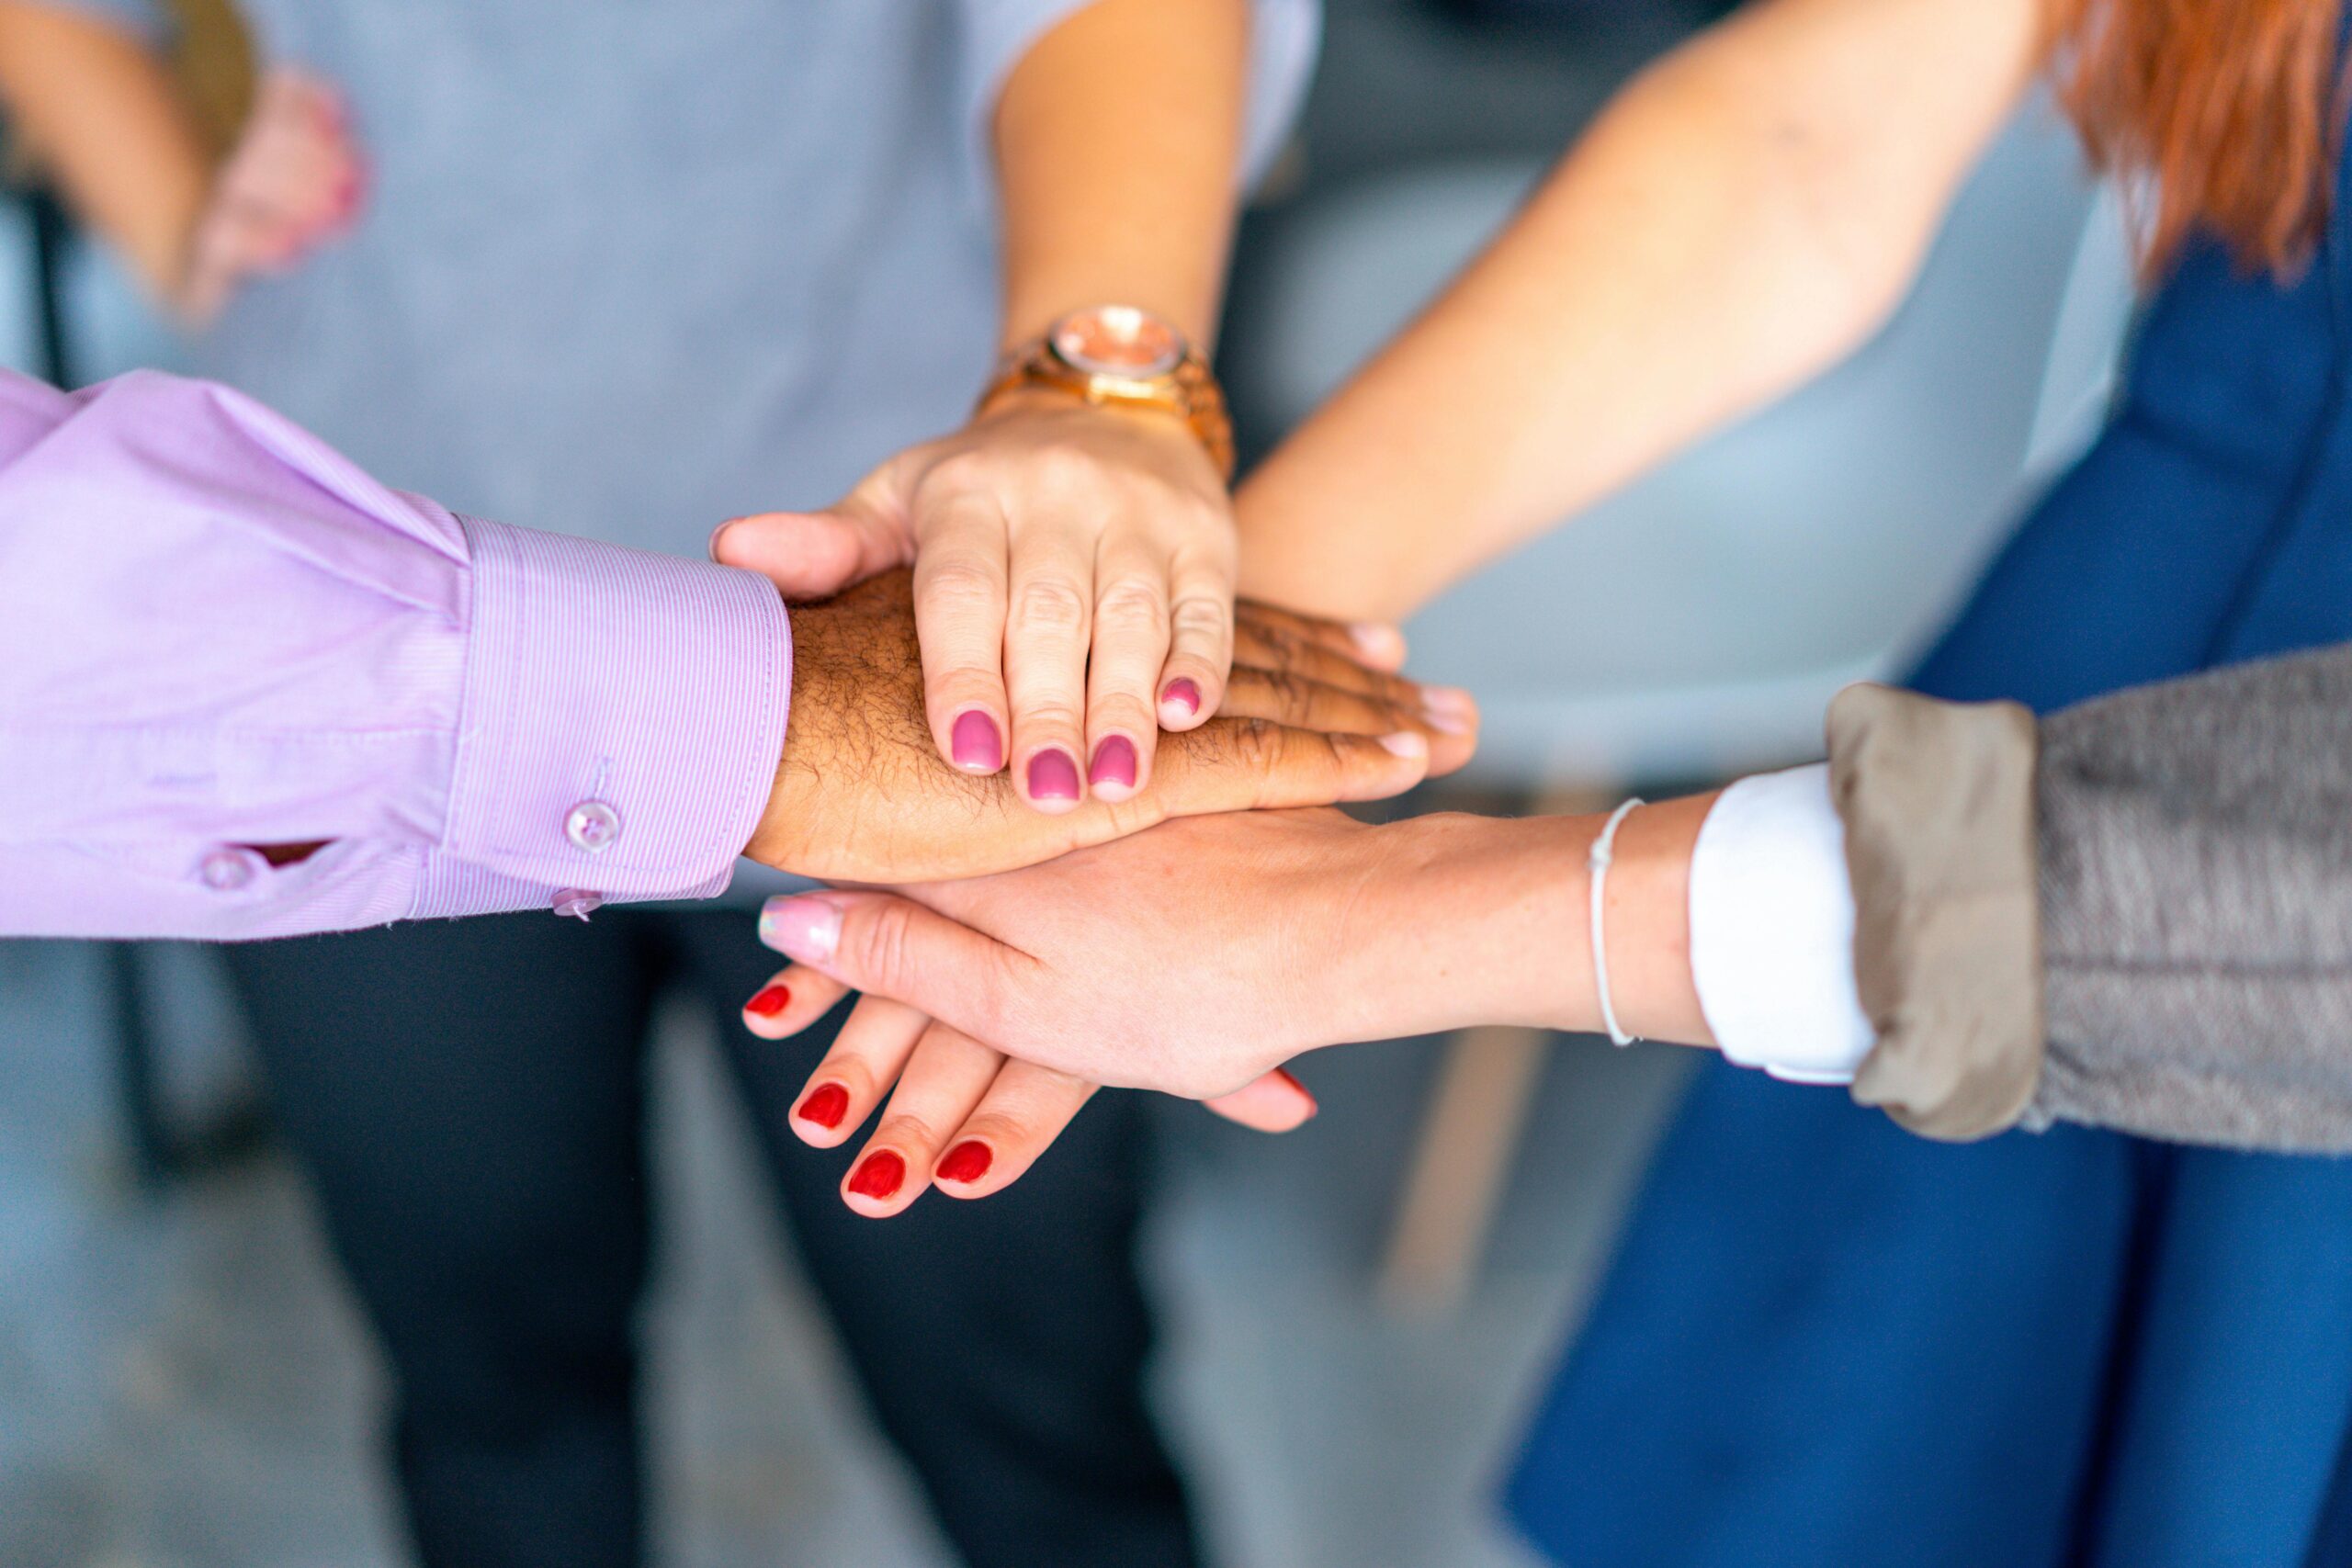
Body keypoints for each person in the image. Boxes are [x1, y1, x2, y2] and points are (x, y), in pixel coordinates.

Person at [721, 0, 2352, 1559]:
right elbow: (1810, 137)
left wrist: (1373, 918)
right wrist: (1168, 692)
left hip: (2149, 929)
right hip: (2105, 658)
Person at [0, 0, 1349, 1562]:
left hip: (925, 628)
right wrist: (187, 226)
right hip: (365, 618)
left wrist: (1098, 373)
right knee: (491, 1397)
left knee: (1028, 1401)